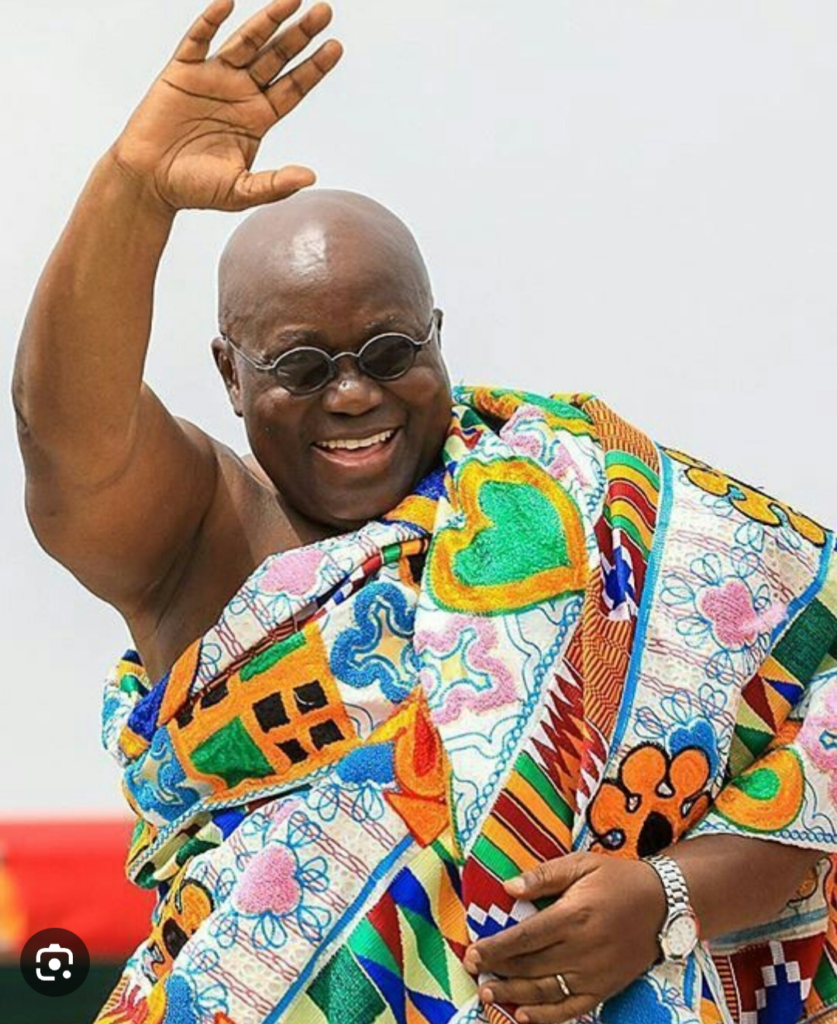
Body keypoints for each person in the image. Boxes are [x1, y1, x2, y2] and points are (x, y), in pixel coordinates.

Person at [12, 2, 837, 1023]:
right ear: (229, 373)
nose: (353, 394)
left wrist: (666, 899)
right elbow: (66, 432)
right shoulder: (203, 536)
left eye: (391, 351)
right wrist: (134, 191)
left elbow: (818, 731)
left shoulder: (591, 493)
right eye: (302, 366)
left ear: (437, 334)